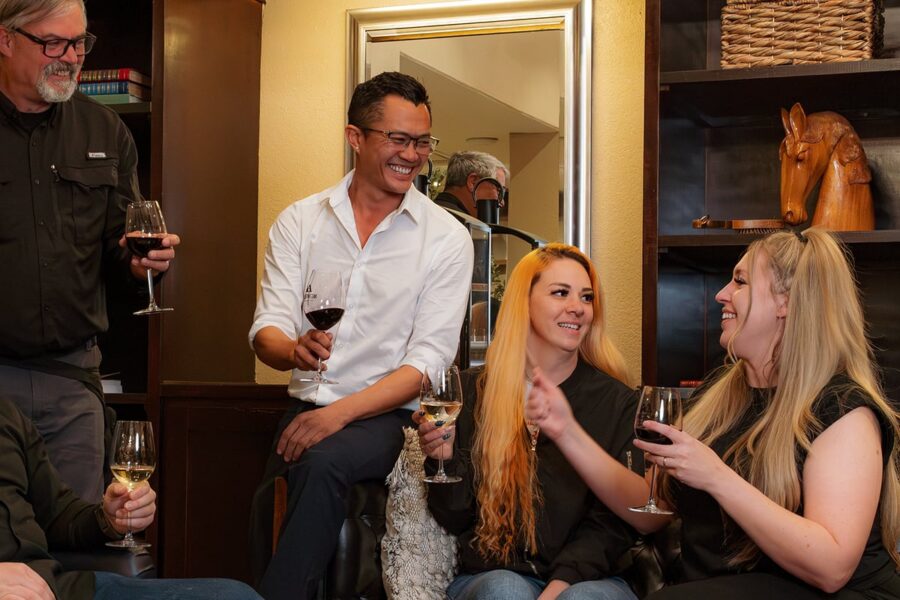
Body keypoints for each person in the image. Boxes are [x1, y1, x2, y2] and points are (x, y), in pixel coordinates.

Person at [527, 229, 900, 598]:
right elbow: (649, 510)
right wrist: (567, 431)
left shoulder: (843, 411)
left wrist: (716, 476)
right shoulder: (718, 396)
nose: (722, 294)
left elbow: (832, 568)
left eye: (740, 281)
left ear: (786, 301)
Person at [248, 71, 474, 599]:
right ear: (356, 137)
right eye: (398, 139)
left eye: (422, 142)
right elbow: (266, 332)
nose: (412, 155)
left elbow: (428, 365)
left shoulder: (447, 238)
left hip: (390, 418)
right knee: (267, 502)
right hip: (308, 406)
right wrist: (293, 351)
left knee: (323, 461)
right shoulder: (299, 222)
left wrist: (339, 414)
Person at [0, 0, 180, 503]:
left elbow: (119, 252)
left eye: (80, 42)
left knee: (77, 548)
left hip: (72, 386)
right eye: (53, 43)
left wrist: (143, 263)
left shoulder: (105, 131)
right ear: (5, 39)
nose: (72, 57)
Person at [415, 243, 642, 600]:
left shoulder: (617, 402)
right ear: (524, 301)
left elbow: (613, 526)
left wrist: (558, 587)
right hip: (492, 576)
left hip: (591, 579)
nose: (577, 308)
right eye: (560, 293)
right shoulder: (473, 392)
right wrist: (442, 458)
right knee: (504, 590)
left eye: (586, 297)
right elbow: (456, 519)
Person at [0, 397, 261, 600]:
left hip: (59, 588)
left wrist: (109, 518)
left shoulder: (8, 417)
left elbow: (58, 514)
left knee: (236, 595)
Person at [434, 150, 508, 217]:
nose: (502, 202)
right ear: (473, 182)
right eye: (499, 191)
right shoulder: (460, 225)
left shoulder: (432, 211)